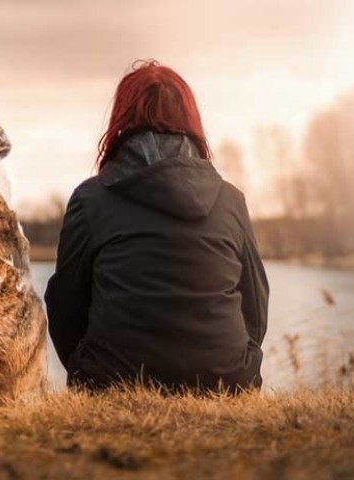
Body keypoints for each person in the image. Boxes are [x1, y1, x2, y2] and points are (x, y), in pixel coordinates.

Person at [45, 60, 269, 394]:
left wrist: (85, 368)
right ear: (190, 120)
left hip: (112, 381)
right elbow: (256, 304)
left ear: (121, 120)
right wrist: (238, 363)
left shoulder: (91, 199)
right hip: (226, 381)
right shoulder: (230, 200)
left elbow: (65, 305)